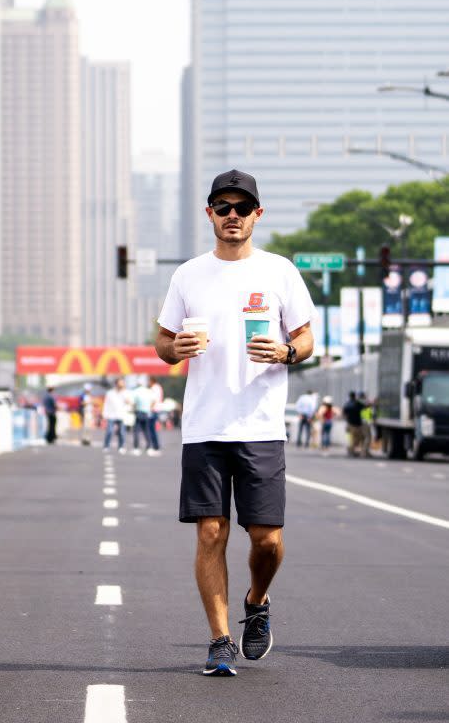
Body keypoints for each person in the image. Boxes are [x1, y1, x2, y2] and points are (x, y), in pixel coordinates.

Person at [155, 169, 315, 677]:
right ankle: (220, 638)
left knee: (266, 539)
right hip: (204, 427)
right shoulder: (188, 275)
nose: (231, 216)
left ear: (256, 216)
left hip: (261, 425)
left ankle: (258, 599)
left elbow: (307, 337)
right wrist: (174, 349)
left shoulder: (280, 272)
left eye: (241, 208)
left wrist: (287, 351)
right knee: (210, 533)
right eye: (222, 207)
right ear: (209, 215)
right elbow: (161, 342)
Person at [102, 378, 130, 454]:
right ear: (116, 384)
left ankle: (121, 446)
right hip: (111, 415)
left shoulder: (125, 393)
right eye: (120, 383)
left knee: (121, 432)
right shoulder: (110, 393)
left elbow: (129, 402)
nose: (121, 385)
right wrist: (104, 414)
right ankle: (106, 446)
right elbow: (106, 404)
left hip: (121, 415)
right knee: (110, 431)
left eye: (122, 383)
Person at [131, 378, 157, 455]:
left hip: (139, 412)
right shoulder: (148, 391)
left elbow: (132, 402)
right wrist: (150, 408)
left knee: (136, 431)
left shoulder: (136, 391)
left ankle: (136, 448)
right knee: (147, 431)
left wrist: (135, 407)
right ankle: (149, 447)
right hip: (146, 413)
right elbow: (154, 401)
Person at [342, 391, 366, 457]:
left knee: (352, 439)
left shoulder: (347, 404)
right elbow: (365, 407)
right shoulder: (357, 403)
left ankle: (351, 450)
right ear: (355, 396)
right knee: (358, 438)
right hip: (357, 424)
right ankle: (352, 451)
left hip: (350, 424)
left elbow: (344, 413)